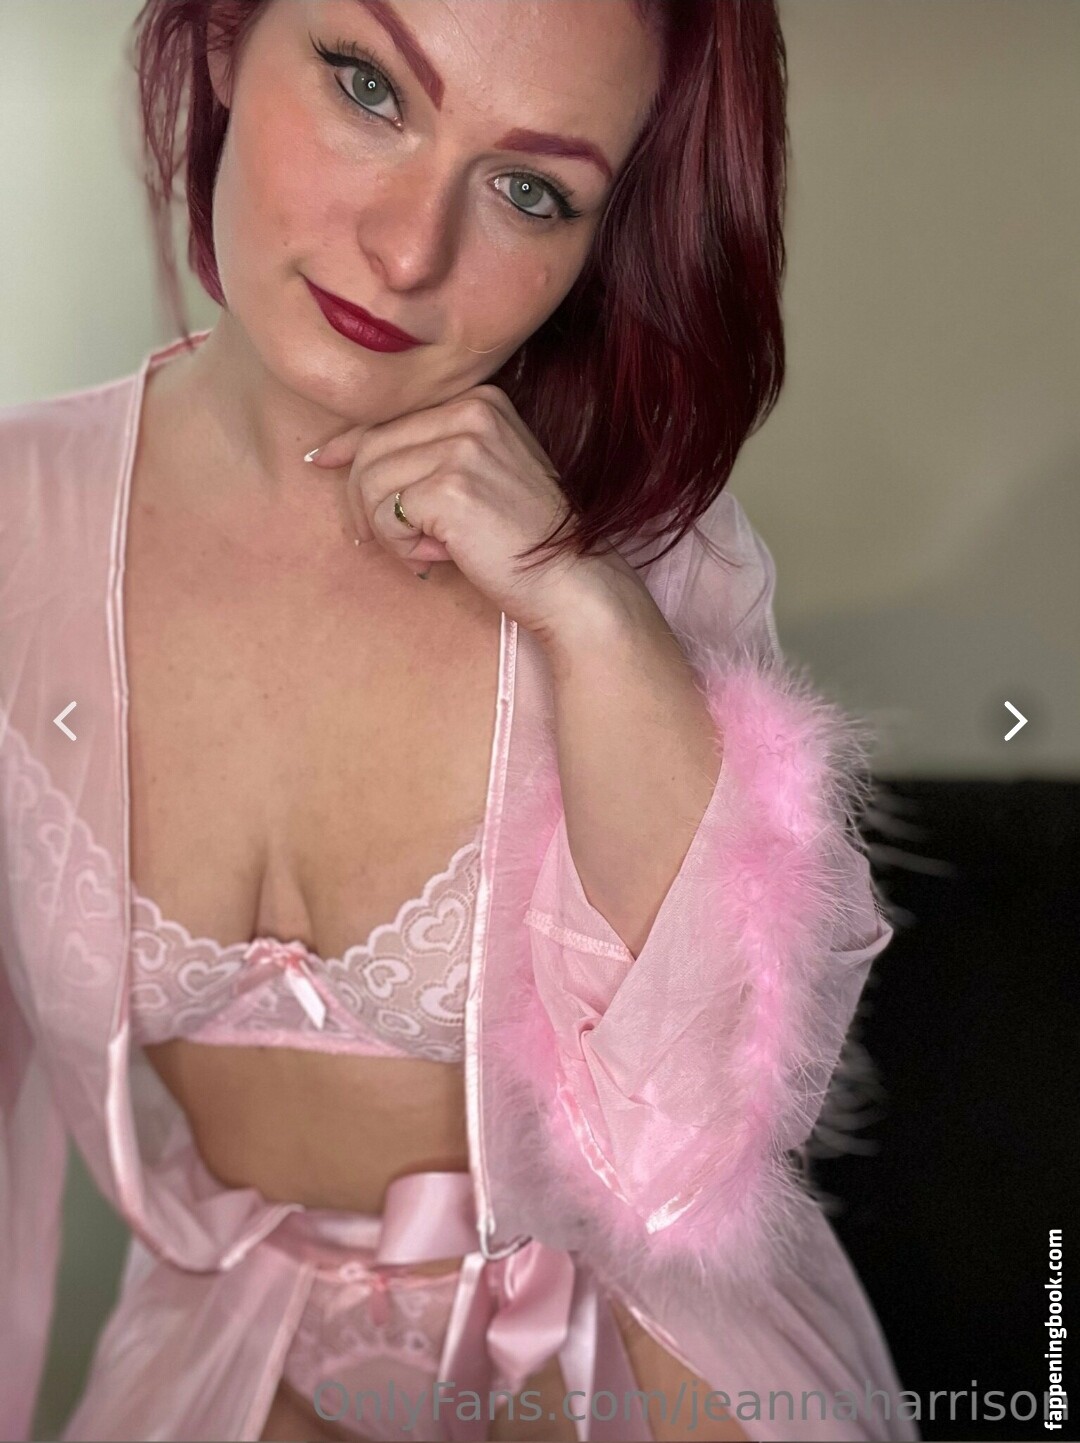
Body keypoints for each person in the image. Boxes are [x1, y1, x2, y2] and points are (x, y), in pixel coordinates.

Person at [0, 2, 919, 1440]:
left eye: (530, 190)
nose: (409, 253)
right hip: (228, 1377)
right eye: (368, 87)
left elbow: (695, 1152)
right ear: (228, 38)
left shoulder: (647, 562)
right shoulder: (18, 525)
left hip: (648, 1375)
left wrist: (586, 615)